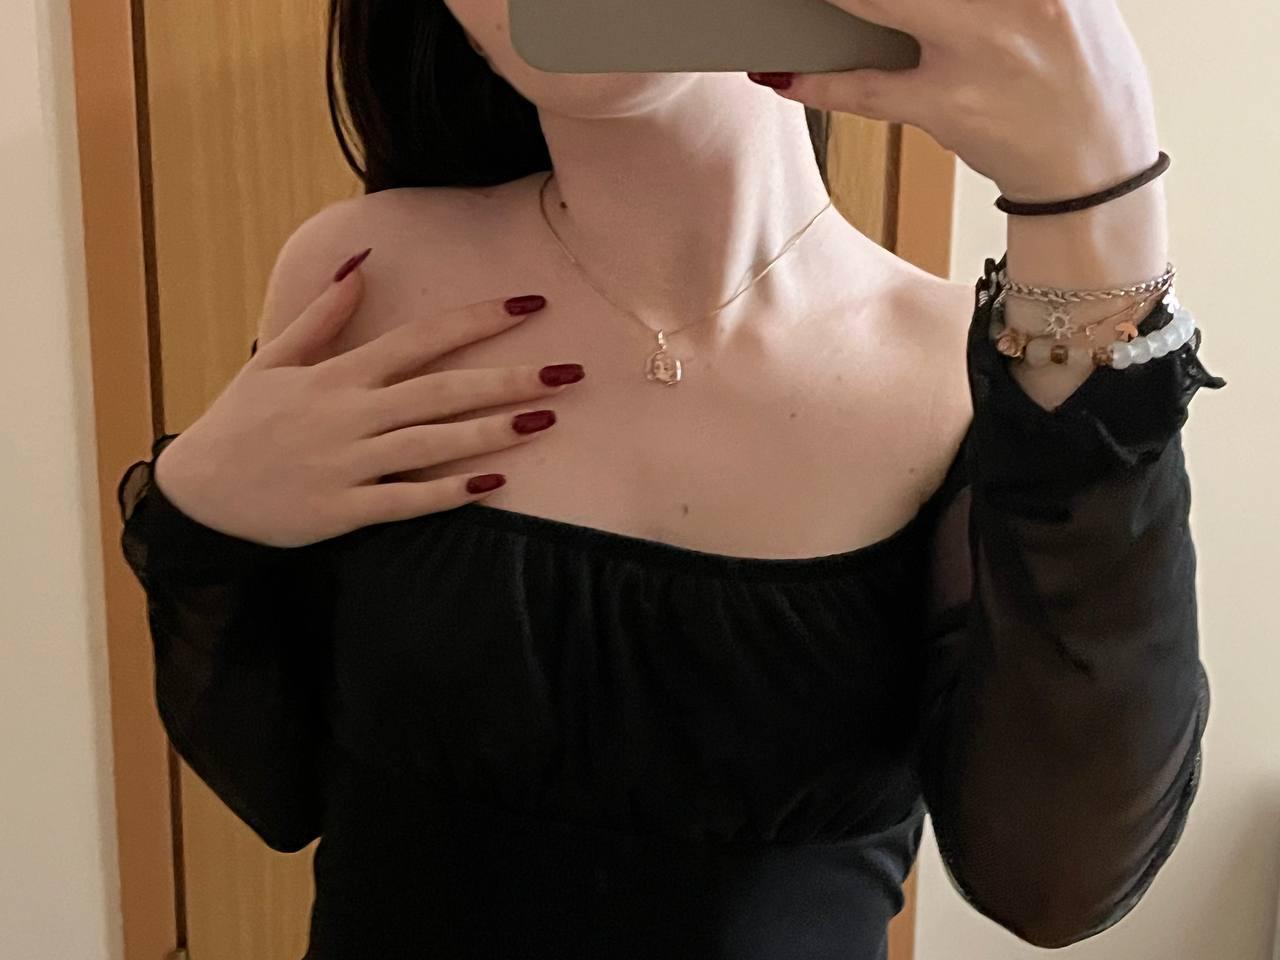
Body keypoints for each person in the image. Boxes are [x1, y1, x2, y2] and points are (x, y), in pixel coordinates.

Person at [116, 0, 1226, 957]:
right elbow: (280, 786)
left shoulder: (970, 379)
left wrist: (1097, 203)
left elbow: (1054, 881)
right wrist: (201, 508)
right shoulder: (364, 278)